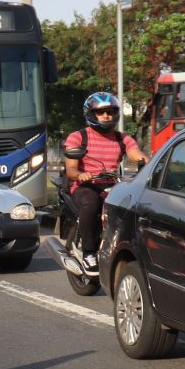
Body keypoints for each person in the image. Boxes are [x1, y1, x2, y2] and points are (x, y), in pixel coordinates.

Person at [63, 93, 147, 276]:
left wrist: (150, 163)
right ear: (91, 114)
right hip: (85, 186)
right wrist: (81, 175)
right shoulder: (78, 137)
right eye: (100, 112)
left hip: (112, 185)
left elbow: (136, 153)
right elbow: (70, 169)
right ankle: (89, 253)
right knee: (91, 202)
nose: (106, 116)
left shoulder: (122, 138)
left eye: (110, 112)